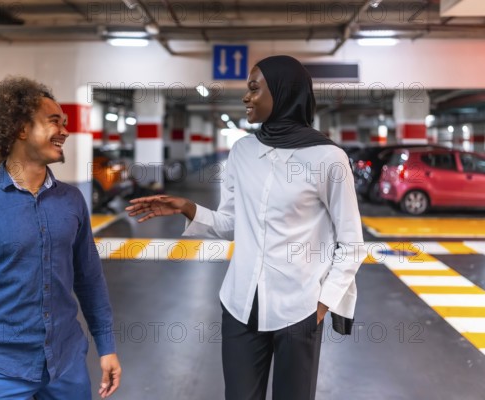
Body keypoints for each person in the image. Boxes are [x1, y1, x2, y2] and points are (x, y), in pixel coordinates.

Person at [126, 55, 366, 400]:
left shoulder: (327, 159)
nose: (246, 97)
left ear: (283, 93)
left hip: (298, 310)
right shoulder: (242, 151)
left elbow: (351, 244)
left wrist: (322, 305)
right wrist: (186, 207)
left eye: (254, 88)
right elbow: (230, 223)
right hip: (239, 306)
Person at [0, 77, 121, 400]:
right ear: (20, 129)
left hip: (67, 364)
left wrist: (107, 347)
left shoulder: (72, 201)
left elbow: (90, 279)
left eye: (66, 123)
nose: (65, 131)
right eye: (54, 121)